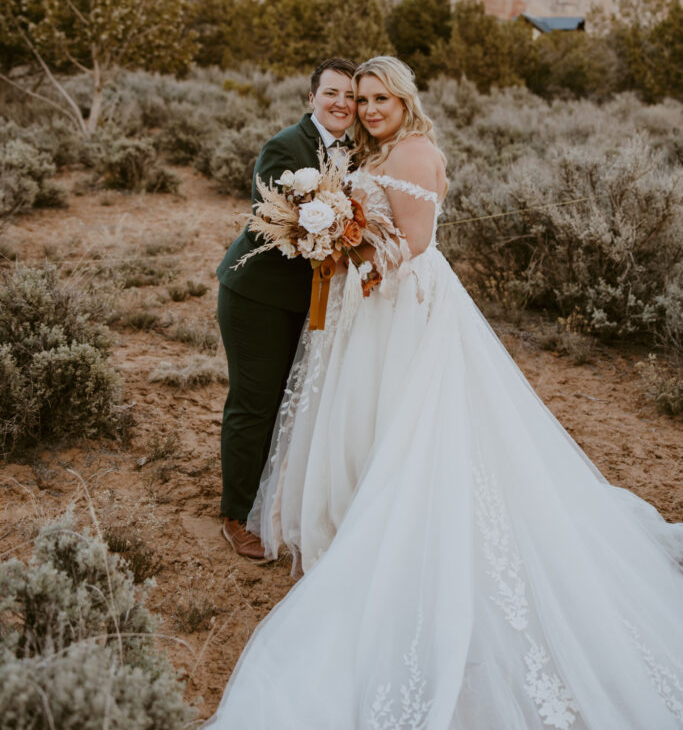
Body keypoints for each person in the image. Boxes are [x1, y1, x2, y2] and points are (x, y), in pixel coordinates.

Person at [209, 57, 683, 727]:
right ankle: (346, 507)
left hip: (399, 303)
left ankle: (390, 519)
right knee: (364, 412)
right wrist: (340, 242)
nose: (368, 107)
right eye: (360, 97)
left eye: (379, 97)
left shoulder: (415, 151)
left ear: (403, 99)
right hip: (367, 304)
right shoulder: (370, 149)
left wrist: (349, 253)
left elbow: (417, 243)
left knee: (413, 419)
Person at [215, 56, 356, 562]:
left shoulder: (355, 152)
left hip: (312, 302)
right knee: (255, 402)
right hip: (257, 297)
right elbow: (276, 221)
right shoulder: (285, 146)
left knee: (292, 405)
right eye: (332, 93)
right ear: (312, 98)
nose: (342, 104)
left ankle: (272, 501)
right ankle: (235, 515)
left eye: (351, 96)